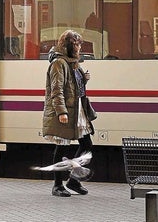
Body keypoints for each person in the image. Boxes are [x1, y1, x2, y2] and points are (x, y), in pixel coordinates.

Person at [43, 29, 94, 197]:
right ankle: (57, 185)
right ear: (67, 46)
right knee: (62, 147)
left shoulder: (72, 63)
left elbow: (72, 87)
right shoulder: (59, 63)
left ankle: (73, 180)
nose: (78, 47)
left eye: (79, 44)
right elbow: (56, 90)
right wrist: (61, 112)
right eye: (75, 44)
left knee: (87, 145)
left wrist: (83, 79)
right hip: (66, 111)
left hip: (78, 110)